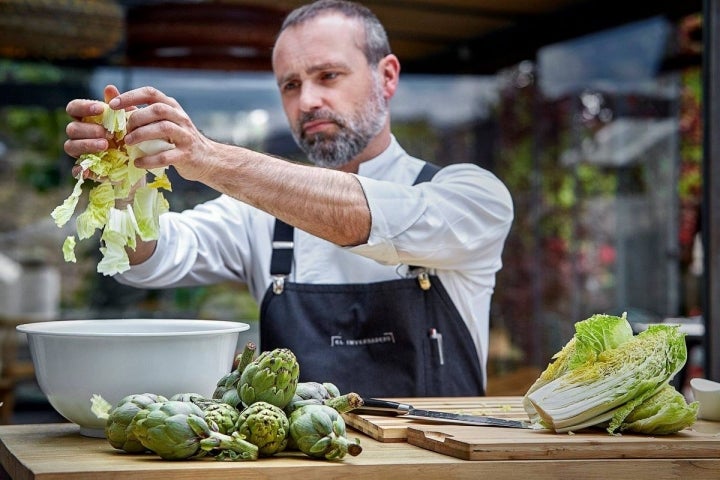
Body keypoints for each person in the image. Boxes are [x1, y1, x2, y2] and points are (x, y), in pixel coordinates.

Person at [63, 0, 513, 397]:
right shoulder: (256, 217)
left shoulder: (473, 196)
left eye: (328, 76)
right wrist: (124, 178)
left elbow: (368, 217)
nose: (308, 101)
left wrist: (208, 158)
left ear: (387, 76)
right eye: (290, 85)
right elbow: (147, 258)